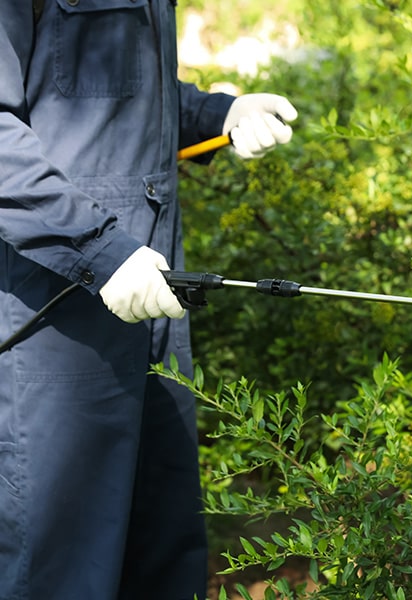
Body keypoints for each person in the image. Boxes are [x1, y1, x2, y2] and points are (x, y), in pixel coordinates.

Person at [0, 2, 297, 598]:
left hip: (152, 297)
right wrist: (99, 250)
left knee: (163, 556)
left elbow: (119, 99)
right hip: (56, 318)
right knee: (62, 567)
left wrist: (221, 112)